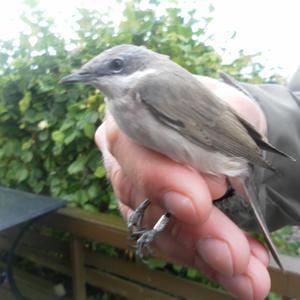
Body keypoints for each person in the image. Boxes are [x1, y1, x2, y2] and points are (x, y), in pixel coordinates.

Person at [94, 70, 300, 300]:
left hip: (231, 156)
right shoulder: (127, 100)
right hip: (229, 156)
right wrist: (265, 120)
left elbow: (213, 138)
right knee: (178, 189)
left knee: (182, 189)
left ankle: (160, 217)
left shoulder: (149, 88)